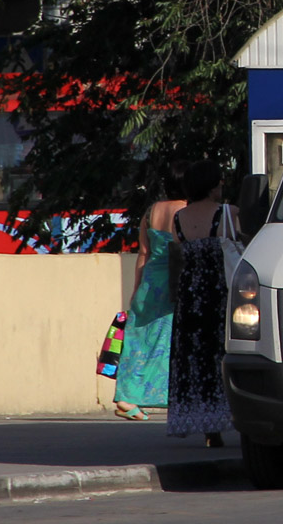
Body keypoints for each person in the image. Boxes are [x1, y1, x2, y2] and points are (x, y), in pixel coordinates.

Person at [167, 159, 239, 446]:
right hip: (219, 294)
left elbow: (178, 257)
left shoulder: (178, 218)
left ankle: (209, 427)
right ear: (211, 185)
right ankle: (233, 415)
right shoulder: (228, 214)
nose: (222, 185)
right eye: (219, 180)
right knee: (222, 354)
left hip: (190, 298)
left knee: (195, 360)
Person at [113, 160, 187, 421]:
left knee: (138, 340)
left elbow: (143, 253)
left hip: (150, 281)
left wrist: (136, 290)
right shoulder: (188, 211)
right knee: (168, 342)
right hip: (175, 279)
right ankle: (166, 396)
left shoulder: (151, 211)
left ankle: (127, 396)